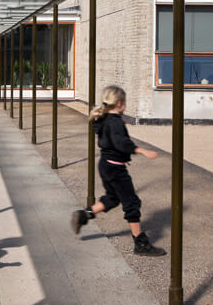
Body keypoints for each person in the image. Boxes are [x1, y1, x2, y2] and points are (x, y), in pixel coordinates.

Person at [70, 85, 166, 256]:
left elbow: (110, 141)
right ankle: (140, 243)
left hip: (106, 165)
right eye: (125, 102)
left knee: (113, 198)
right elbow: (121, 143)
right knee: (132, 203)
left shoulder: (104, 118)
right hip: (115, 169)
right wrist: (141, 150)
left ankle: (85, 215)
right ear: (120, 104)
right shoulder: (115, 122)